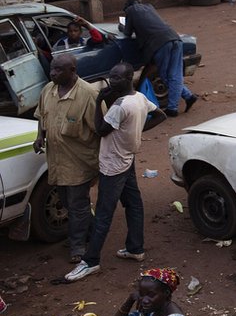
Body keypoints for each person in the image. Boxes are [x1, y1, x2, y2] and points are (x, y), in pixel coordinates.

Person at [65, 63, 166, 282]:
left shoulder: (119, 106)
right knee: (134, 204)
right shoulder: (138, 98)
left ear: (129, 78)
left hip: (112, 165)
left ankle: (90, 261)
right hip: (127, 158)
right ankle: (135, 248)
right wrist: (135, 131)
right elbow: (160, 115)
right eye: (111, 76)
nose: (112, 81)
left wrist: (99, 100)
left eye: (117, 78)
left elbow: (100, 130)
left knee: (103, 213)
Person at [34, 54, 100, 264]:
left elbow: (100, 129)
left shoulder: (88, 94)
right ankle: (91, 230)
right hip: (57, 161)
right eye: (52, 69)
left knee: (77, 204)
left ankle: (77, 246)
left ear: (72, 70)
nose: (52, 73)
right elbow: (41, 117)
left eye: (58, 70)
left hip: (79, 162)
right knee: (67, 202)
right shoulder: (48, 90)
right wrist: (40, 136)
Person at [121, 0, 198, 118]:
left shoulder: (131, 11)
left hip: (160, 44)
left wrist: (121, 26)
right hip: (175, 38)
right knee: (175, 75)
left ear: (127, 8)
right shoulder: (149, 7)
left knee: (166, 76)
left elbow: (127, 32)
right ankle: (188, 97)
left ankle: (173, 108)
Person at [107, 267, 193, 316]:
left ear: (166, 293)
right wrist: (130, 300)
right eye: (141, 293)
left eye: (151, 295)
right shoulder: (151, 310)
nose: (144, 300)